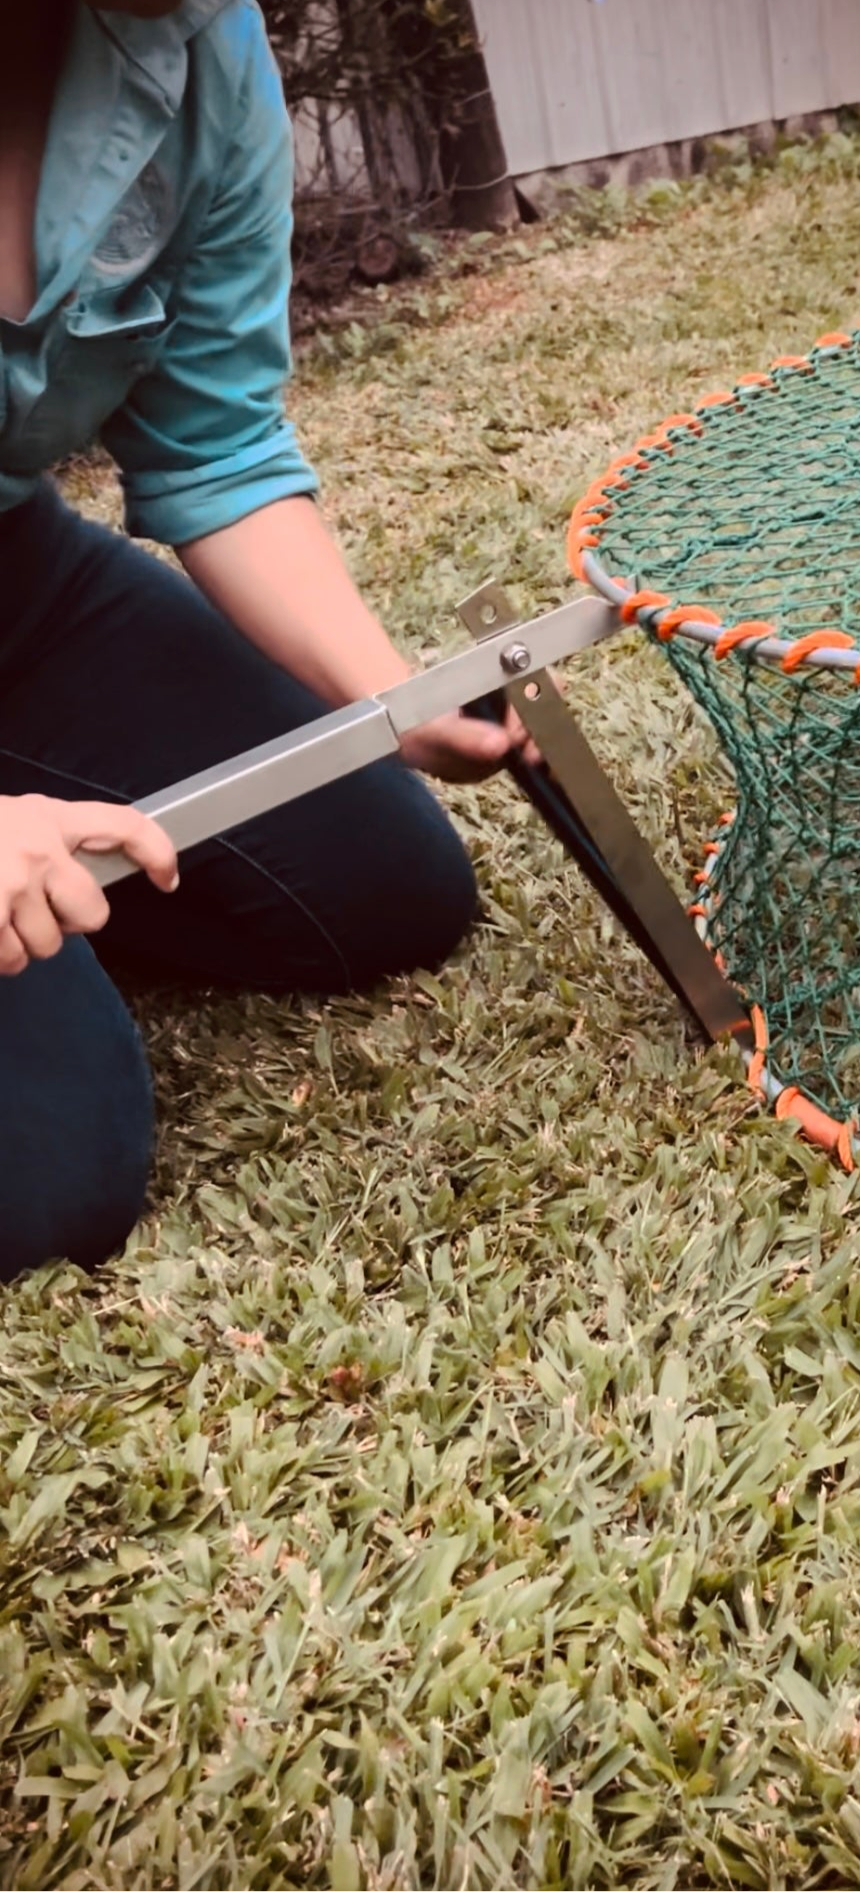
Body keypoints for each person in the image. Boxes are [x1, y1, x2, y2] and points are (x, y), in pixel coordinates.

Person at [0, 0, 527, 1279]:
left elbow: (215, 440)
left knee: (383, 888)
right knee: (47, 1176)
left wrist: (391, 694)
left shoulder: (194, 41)